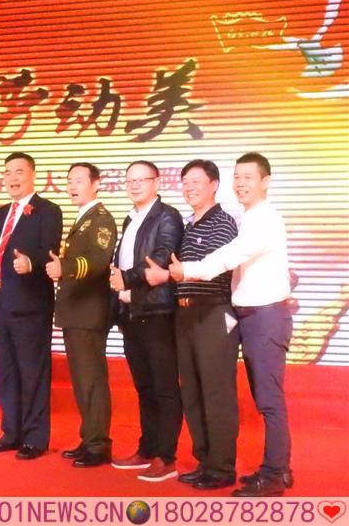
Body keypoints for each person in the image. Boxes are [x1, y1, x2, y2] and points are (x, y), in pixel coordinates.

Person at [168, 153, 293, 497]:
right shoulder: (249, 218)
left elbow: (228, 258)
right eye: (237, 176)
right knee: (264, 398)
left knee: (268, 400)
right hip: (251, 316)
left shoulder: (263, 219)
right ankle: (278, 469)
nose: (240, 183)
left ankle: (274, 473)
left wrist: (186, 270)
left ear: (266, 181)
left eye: (248, 177)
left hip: (265, 316)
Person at [145, 159, 239, 490]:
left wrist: (171, 273)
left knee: (216, 392)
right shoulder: (187, 226)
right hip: (184, 316)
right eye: (185, 182)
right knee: (193, 392)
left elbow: (212, 267)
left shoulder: (224, 223)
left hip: (213, 313)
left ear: (214, 185)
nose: (189, 188)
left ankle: (222, 467)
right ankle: (204, 461)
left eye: (196, 181)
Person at [0, 152, 62, 460]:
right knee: (6, 372)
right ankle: (11, 433)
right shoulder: (1, 212)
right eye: (7, 172)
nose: (12, 178)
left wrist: (31, 262)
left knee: (32, 372)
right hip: (0, 303)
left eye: (19, 171)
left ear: (32, 175)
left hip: (30, 303)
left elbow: (49, 250)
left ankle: (35, 438)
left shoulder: (48, 210)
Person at [109, 160, 183, 482]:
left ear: (156, 182)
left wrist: (127, 278)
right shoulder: (131, 218)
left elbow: (163, 256)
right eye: (130, 181)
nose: (135, 185)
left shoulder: (167, 216)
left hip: (157, 312)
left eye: (142, 179)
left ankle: (166, 456)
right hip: (132, 311)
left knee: (164, 387)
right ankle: (147, 448)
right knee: (144, 386)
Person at [46, 163, 117, 467]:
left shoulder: (100, 219)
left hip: (89, 312)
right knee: (82, 380)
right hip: (76, 311)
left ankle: (99, 445)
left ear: (96, 184)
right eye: (69, 181)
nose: (72, 186)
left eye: (79, 180)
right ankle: (89, 439)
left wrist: (65, 267)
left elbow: (99, 260)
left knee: (92, 381)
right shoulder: (84, 217)